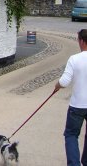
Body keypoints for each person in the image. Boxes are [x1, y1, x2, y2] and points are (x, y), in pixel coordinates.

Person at [55, 29, 87, 166]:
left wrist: (57, 86)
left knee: (71, 135)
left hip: (77, 105)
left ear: (81, 41)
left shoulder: (74, 59)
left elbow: (64, 82)